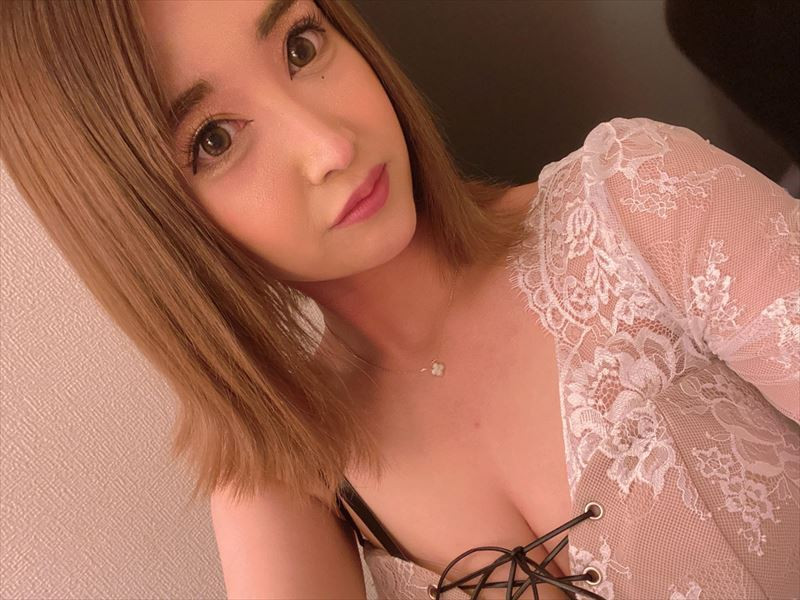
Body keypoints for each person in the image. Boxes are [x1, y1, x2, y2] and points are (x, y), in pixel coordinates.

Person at [1, 1, 797, 599]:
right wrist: (250, 434)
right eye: (215, 138)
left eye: (301, 45)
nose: (329, 145)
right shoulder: (293, 467)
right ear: (146, 223)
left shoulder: (639, 200)